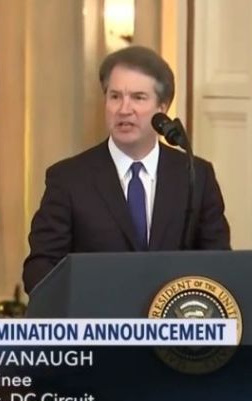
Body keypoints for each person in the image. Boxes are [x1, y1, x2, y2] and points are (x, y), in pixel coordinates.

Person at [22, 46, 231, 293]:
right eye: (115, 97)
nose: (124, 109)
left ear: (162, 109)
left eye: (138, 97)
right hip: (96, 314)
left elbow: (220, 265)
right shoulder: (69, 179)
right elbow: (40, 268)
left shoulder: (195, 176)